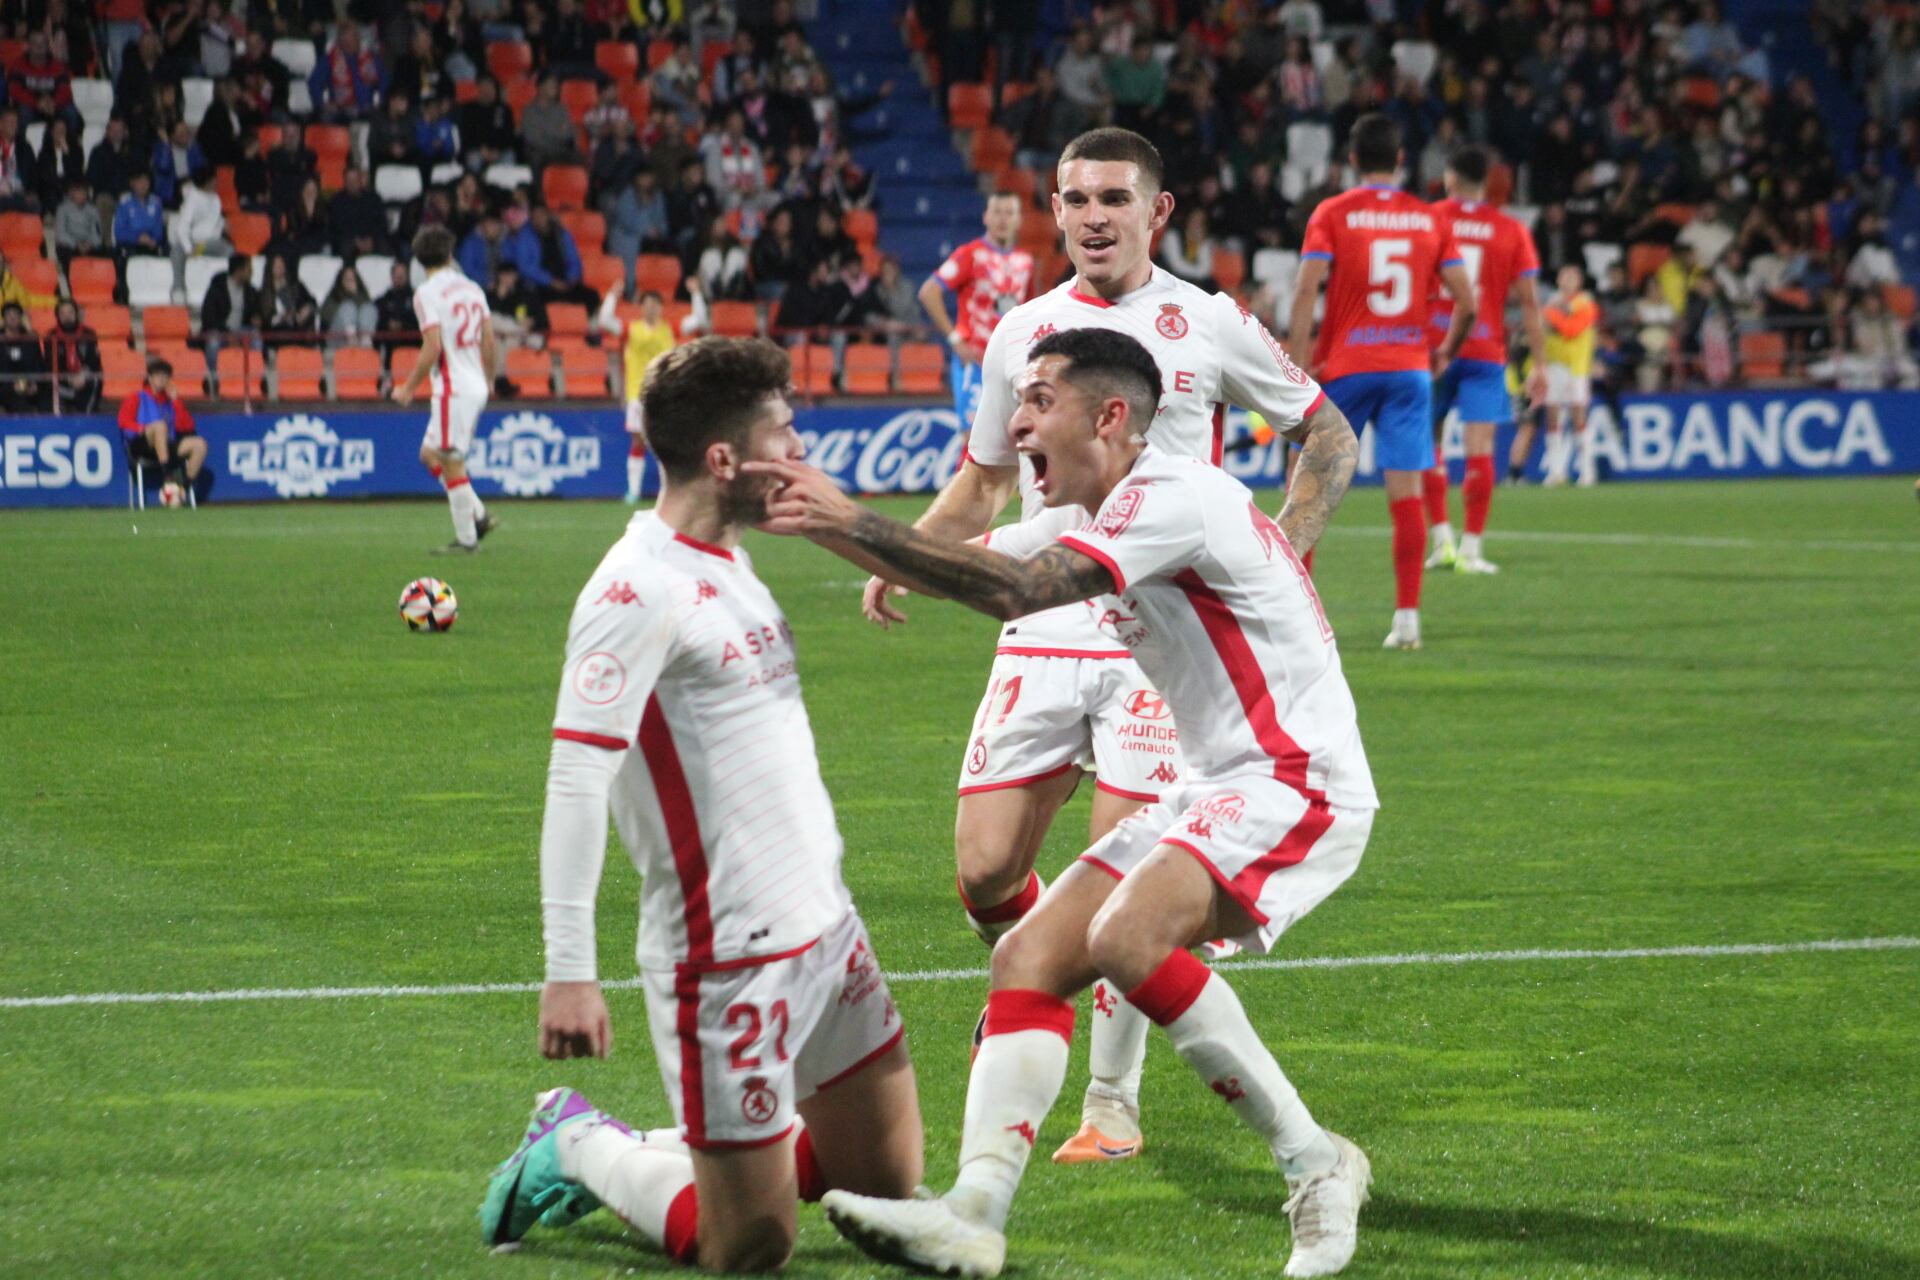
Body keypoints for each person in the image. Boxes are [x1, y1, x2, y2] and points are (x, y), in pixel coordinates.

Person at [748, 325, 1373, 1280]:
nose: (1018, 417)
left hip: (1297, 776)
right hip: (1224, 779)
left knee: (1126, 939)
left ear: (1112, 417)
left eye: (1038, 400)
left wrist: (848, 514)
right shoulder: (1098, 506)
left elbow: (1016, 592)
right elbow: (960, 559)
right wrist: (820, 518)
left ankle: (1317, 1164)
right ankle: (973, 1216)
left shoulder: (1174, 497)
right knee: (1028, 956)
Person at [862, 126, 1341, 1167]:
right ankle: (1037, 974)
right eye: (1074, 197)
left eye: (1113, 198)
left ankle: (1110, 1101)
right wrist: (910, 551)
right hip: (1038, 612)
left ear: (1155, 211)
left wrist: (1282, 558)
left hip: (1158, 644)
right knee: (986, 870)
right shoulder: (1022, 331)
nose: (1090, 216)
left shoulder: (1208, 322)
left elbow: (1327, 433)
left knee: (1130, 880)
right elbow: (987, 477)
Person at [485, 337, 925, 1271]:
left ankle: (726, 1152)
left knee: (886, 1185)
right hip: (725, 958)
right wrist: (569, 969)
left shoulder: (729, 555)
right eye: (785, 436)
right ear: (725, 460)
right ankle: (577, 1143)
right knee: (751, 1243)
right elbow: (575, 779)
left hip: (828, 928)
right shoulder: (633, 587)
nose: (802, 454)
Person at [1287, 112, 1477, 652]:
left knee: (1308, 495)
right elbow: (1469, 302)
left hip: (1346, 368)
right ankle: (1407, 621)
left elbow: (1306, 292)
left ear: (1351, 161)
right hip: (1409, 370)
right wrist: (1444, 351)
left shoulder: (1333, 212)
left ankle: (1302, 625)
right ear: (1400, 161)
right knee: (1407, 498)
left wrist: (1296, 370)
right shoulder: (1428, 218)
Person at [1422, 145, 1547, 575]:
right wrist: (1542, 367)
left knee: (1429, 443)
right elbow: (1530, 304)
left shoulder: (1430, 217)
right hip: (1485, 350)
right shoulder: (1511, 229)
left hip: (1434, 347)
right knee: (1480, 450)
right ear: (1487, 182)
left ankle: (1442, 542)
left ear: (1450, 179)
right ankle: (1472, 550)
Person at [392, 225, 500, 555]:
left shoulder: (426, 293)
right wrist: (490, 379)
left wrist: (409, 387)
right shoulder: (472, 288)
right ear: (450, 255)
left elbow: (432, 346)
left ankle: (467, 540)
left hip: (453, 387)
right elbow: (489, 339)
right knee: (430, 454)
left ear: (419, 260)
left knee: (451, 460)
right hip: (474, 383)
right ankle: (478, 514)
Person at [918, 190, 1034, 430]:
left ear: (1019, 220)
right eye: (997, 212)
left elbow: (1028, 310)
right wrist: (955, 339)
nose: (1003, 219)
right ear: (985, 217)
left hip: (1010, 365)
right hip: (975, 364)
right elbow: (929, 292)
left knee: (1010, 440)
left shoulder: (1026, 262)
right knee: (972, 439)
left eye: (1009, 213)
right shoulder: (970, 254)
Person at [596, 284, 678, 503]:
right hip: (637, 393)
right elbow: (604, 321)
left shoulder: (670, 329)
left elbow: (699, 321)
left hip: (665, 394)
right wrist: (612, 297)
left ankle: (668, 492)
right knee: (638, 441)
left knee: (667, 443)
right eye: (647, 304)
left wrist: (697, 294)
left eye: (655, 304)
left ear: (661, 308)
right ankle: (633, 491)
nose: (651, 309)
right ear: (641, 308)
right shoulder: (630, 329)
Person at [1538, 265, 1599, 486]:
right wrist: (1552, 314)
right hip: (1554, 366)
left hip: (1576, 368)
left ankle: (1587, 471)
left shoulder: (1586, 304)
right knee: (1553, 418)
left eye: (1573, 277)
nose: (1568, 280)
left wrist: (1550, 315)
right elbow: (1540, 327)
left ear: (1579, 281)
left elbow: (1571, 329)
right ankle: (1556, 471)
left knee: (1578, 417)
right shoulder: (1551, 303)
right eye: (1564, 276)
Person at [117, 357, 207, 496]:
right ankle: (167, 475)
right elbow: (123, 421)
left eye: (165, 376)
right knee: (160, 426)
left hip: (166, 443)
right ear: (150, 377)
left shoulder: (170, 401)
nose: (162, 379)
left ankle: (183, 489)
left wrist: (176, 401)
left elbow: (187, 426)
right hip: (142, 444)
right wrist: (142, 429)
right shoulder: (137, 397)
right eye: (158, 375)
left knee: (200, 444)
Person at [44, 298, 102, 412]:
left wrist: (83, 374)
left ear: (76, 314)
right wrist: (69, 378)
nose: (67, 316)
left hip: (83, 377)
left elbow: (94, 361)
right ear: (58, 316)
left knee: (96, 377)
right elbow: (50, 364)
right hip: (63, 378)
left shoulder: (88, 333)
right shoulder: (51, 336)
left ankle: (87, 417)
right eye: (63, 313)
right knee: (48, 381)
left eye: (70, 312)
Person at [0, 302, 50, 411]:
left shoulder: (30, 340)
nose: (12, 317)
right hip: (5, 388)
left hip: (29, 386)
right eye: (9, 314)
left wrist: (35, 384)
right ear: (3, 319)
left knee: (47, 399)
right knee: (19, 403)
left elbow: (39, 364)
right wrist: (11, 387)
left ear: (21, 318)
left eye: (16, 314)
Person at [322, 261, 379, 345]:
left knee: (368, 308)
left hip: (360, 336)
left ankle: (365, 341)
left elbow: (369, 314)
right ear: (341, 280)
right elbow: (326, 315)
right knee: (348, 307)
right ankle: (352, 340)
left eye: (352, 278)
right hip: (337, 337)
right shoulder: (333, 296)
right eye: (346, 278)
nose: (349, 281)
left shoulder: (362, 296)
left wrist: (355, 295)